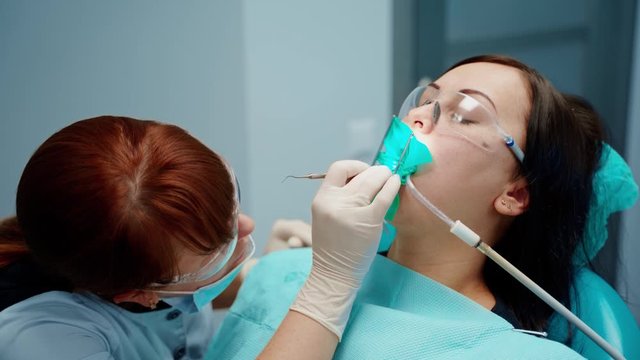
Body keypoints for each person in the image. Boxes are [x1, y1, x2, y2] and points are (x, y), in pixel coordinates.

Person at [205, 55, 639, 359]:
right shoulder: (291, 272)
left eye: (464, 114)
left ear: (515, 194)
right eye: (425, 100)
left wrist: (326, 284)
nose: (417, 118)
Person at [0, 116, 401, 359]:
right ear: (136, 293)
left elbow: (182, 302)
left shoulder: (143, 265)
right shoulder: (39, 341)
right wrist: (330, 284)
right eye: (216, 250)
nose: (247, 227)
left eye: (233, 202)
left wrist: (262, 277)